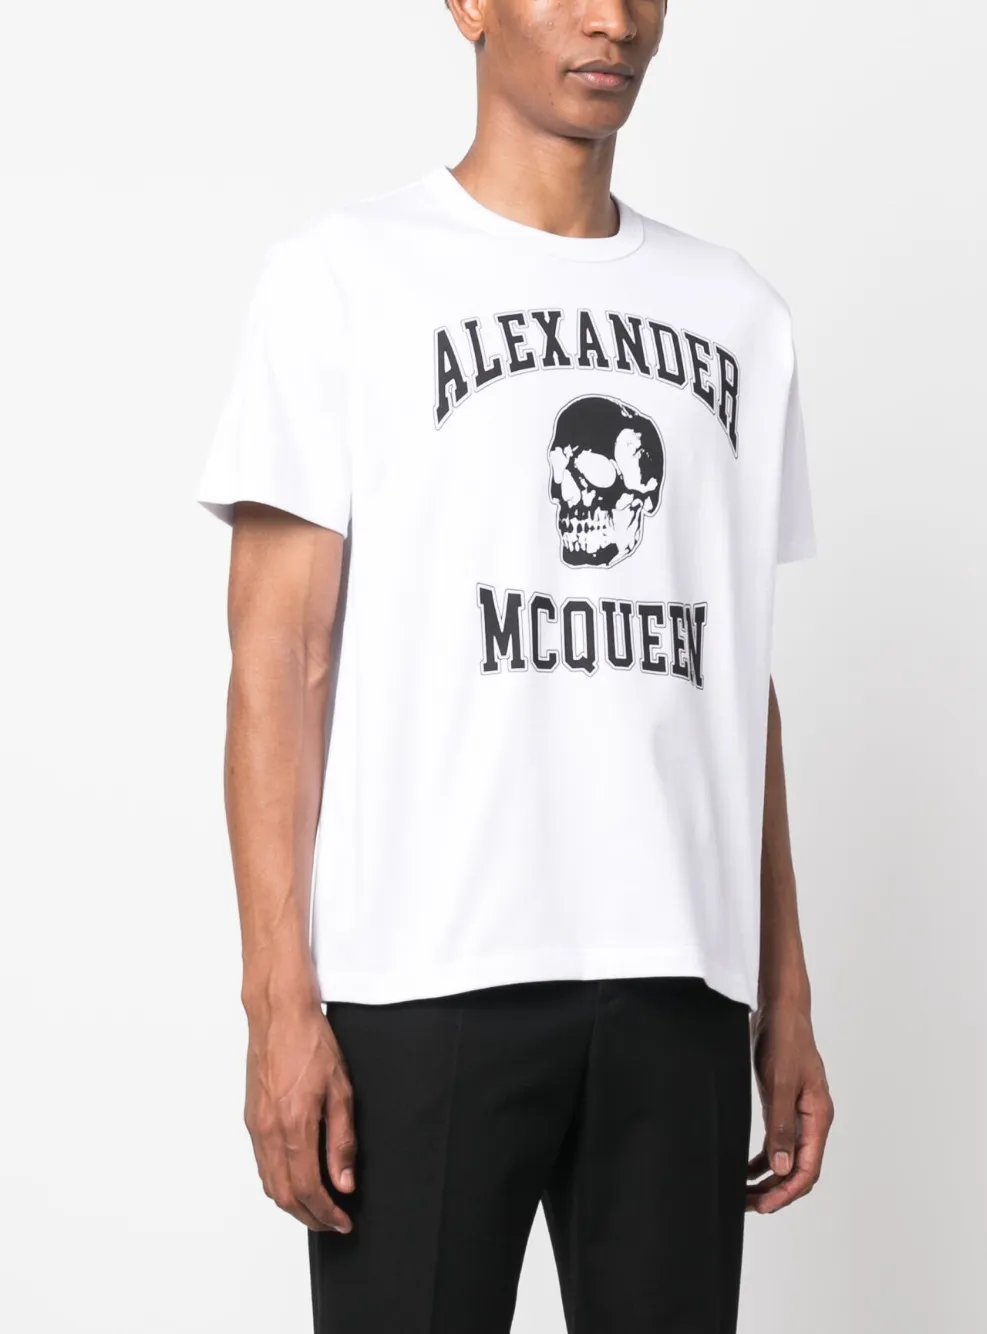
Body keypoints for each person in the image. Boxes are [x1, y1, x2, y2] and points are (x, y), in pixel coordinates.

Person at [197, 1, 834, 1330]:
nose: (614, 21)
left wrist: (783, 988)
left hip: (680, 987)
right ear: (468, 5)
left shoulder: (742, 316)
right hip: (423, 981)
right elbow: (278, 656)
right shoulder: (344, 278)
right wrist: (277, 1003)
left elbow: (736, 680)